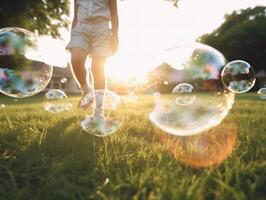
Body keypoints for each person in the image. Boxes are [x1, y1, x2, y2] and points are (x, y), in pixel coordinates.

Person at [66, 0, 119, 121]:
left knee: (98, 68)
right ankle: (86, 90)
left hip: (102, 28)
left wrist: (115, 35)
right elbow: (75, 13)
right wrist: (73, 30)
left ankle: (99, 112)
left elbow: (114, 13)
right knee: (76, 59)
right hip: (81, 27)